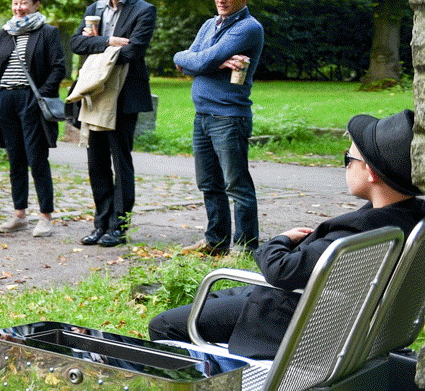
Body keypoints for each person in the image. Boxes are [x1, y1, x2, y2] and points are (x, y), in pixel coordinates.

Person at [149, 110, 425, 360]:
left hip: (290, 319)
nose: (345, 165)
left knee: (164, 325)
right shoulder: (410, 218)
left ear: (372, 174)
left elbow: (281, 270)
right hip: (328, 315)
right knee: (207, 300)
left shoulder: (357, 235)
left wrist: (280, 240)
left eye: (348, 159)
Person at [174, 0, 265, 256]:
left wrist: (203, 62)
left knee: (236, 185)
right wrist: (199, 61)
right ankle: (216, 242)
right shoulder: (208, 25)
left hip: (228, 117)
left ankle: (246, 248)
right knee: (209, 183)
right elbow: (187, 60)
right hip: (202, 115)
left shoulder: (248, 27)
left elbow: (203, 61)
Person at [70, 0, 156, 247]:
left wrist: (101, 42)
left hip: (124, 95)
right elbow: (76, 44)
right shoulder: (94, 10)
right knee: (96, 163)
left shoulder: (144, 10)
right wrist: (112, 41)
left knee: (121, 161)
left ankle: (118, 227)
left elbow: (135, 51)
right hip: (95, 94)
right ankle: (100, 224)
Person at [0, 0, 65, 238]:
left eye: (24, 3)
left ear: (36, 5)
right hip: (6, 101)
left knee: (36, 159)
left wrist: (40, 95)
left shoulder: (47, 32)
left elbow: (58, 68)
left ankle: (45, 216)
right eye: (15, 3)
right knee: (15, 159)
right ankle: (19, 214)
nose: (18, 8)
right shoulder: (6, 33)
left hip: (32, 100)